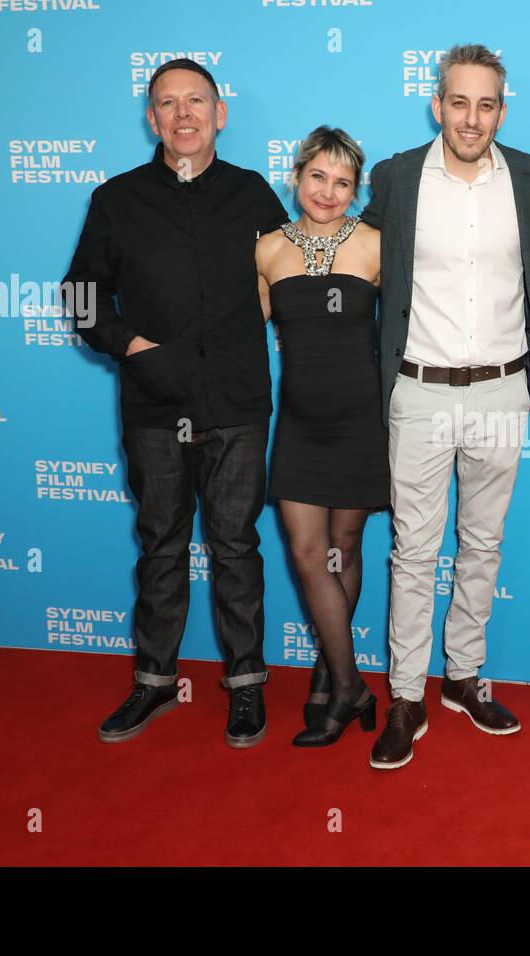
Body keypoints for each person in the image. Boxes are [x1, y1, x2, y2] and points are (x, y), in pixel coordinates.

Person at [64, 58, 288, 748]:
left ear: (221, 114)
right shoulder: (115, 199)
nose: (184, 114)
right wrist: (132, 346)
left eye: (197, 101)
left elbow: (291, 282)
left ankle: (246, 685)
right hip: (155, 407)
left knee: (236, 545)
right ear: (152, 119)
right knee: (160, 544)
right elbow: (80, 299)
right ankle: (154, 682)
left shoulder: (254, 194)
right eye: (169, 103)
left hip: (239, 403)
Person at [360, 44, 530, 770]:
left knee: (483, 543)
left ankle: (464, 676)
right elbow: (363, 268)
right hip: (418, 388)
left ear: (501, 110)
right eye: (458, 102)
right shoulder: (397, 177)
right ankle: (406, 696)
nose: (471, 118)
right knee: (414, 552)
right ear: (437, 103)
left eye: (486, 105)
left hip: (505, 388)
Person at [254, 126, 386, 747]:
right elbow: (239, 338)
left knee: (344, 548)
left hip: (361, 421)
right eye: (318, 177)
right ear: (297, 175)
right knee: (309, 555)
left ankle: (327, 674)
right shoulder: (266, 250)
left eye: (343, 183)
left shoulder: (376, 245)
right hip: (300, 423)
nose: (328, 192)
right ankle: (352, 684)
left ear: (355, 191)